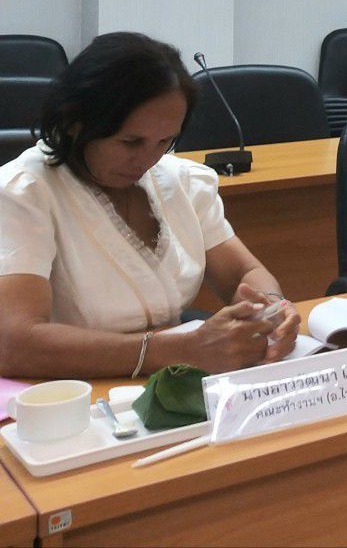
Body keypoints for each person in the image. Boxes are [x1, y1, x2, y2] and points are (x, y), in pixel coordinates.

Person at [0, 33, 300, 380]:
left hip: (166, 379)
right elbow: (15, 343)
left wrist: (273, 308)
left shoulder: (181, 181)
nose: (147, 159)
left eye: (164, 141)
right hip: (67, 392)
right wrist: (182, 350)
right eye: (130, 142)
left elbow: (243, 274)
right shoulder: (24, 193)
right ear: (75, 122)